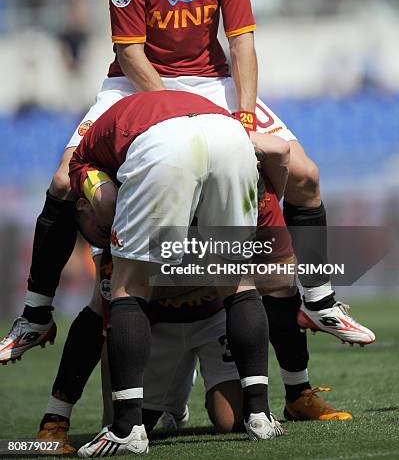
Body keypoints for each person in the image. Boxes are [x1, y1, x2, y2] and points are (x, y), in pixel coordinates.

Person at [0, 0, 373, 367]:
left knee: (305, 174)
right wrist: (175, 111)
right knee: (63, 181)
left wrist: (240, 116)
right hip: (135, 82)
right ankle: (36, 313)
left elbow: (241, 43)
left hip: (210, 82)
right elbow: (130, 53)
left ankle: (320, 300)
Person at [37, 161, 351, 455]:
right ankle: (174, 397)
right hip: (159, 329)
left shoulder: (228, 198)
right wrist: (57, 416)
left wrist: (210, 276)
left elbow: (280, 277)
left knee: (230, 420)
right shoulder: (121, 224)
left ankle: (284, 393)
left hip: (214, 319)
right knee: (123, 416)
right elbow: (100, 315)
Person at [67, 89, 284, 454]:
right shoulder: (180, 102)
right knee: (238, 280)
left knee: (129, 287)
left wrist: (119, 236)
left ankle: (126, 429)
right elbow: (281, 154)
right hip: (231, 137)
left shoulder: (84, 154)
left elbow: (105, 204)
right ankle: (260, 415)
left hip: (164, 147)